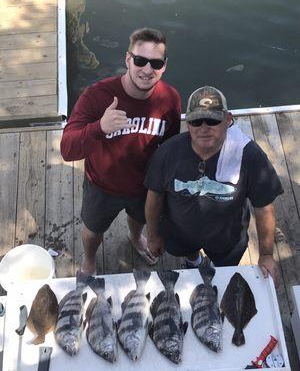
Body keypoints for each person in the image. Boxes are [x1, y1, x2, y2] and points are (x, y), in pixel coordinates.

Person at [61, 28, 181, 274]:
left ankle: (136, 239)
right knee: (93, 230)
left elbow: (170, 146)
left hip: (144, 186)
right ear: (127, 59)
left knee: (139, 220)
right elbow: (67, 148)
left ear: (164, 66)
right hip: (101, 186)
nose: (147, 70)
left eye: (155, 63)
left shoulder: (170, 98)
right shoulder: (96, 96)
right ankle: (90, 259)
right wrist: (99, 128)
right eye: (140, 60)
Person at [144, 86, 283, 288]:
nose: (204, 127)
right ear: (188, 123)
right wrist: (153, 235)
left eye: (213, 120)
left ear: (228, 120)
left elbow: (264, 207)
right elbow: (154, 196)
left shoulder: (250, 156)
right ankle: (194, 261)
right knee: (188, 252)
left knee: (224, 269)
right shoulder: (167, 153)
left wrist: (267, 255)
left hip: (227, 239)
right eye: (196, 121)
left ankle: (217, 271)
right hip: (180, 232)